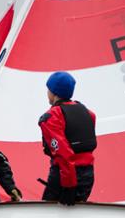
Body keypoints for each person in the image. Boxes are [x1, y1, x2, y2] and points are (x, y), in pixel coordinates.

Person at [38, 71, 97, 206]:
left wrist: (69, 186)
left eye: (48, 89)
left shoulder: (51, 117)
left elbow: (63, 154)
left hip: (65, 177)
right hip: (88, 175)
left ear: (54, 92)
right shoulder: (88, 113)